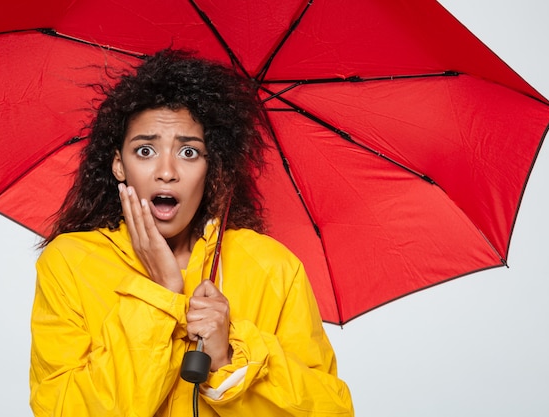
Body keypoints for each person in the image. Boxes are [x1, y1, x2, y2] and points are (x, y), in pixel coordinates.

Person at [29, 48, 354, 416]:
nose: (167, 171)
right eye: (146, 150)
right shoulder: (70, 264)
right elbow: (64, 409)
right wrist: (159, 295)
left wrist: (227, 355)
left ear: (212, 167)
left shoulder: (273, 267)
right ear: (119, 165)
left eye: (189, 153)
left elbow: (330, 410)